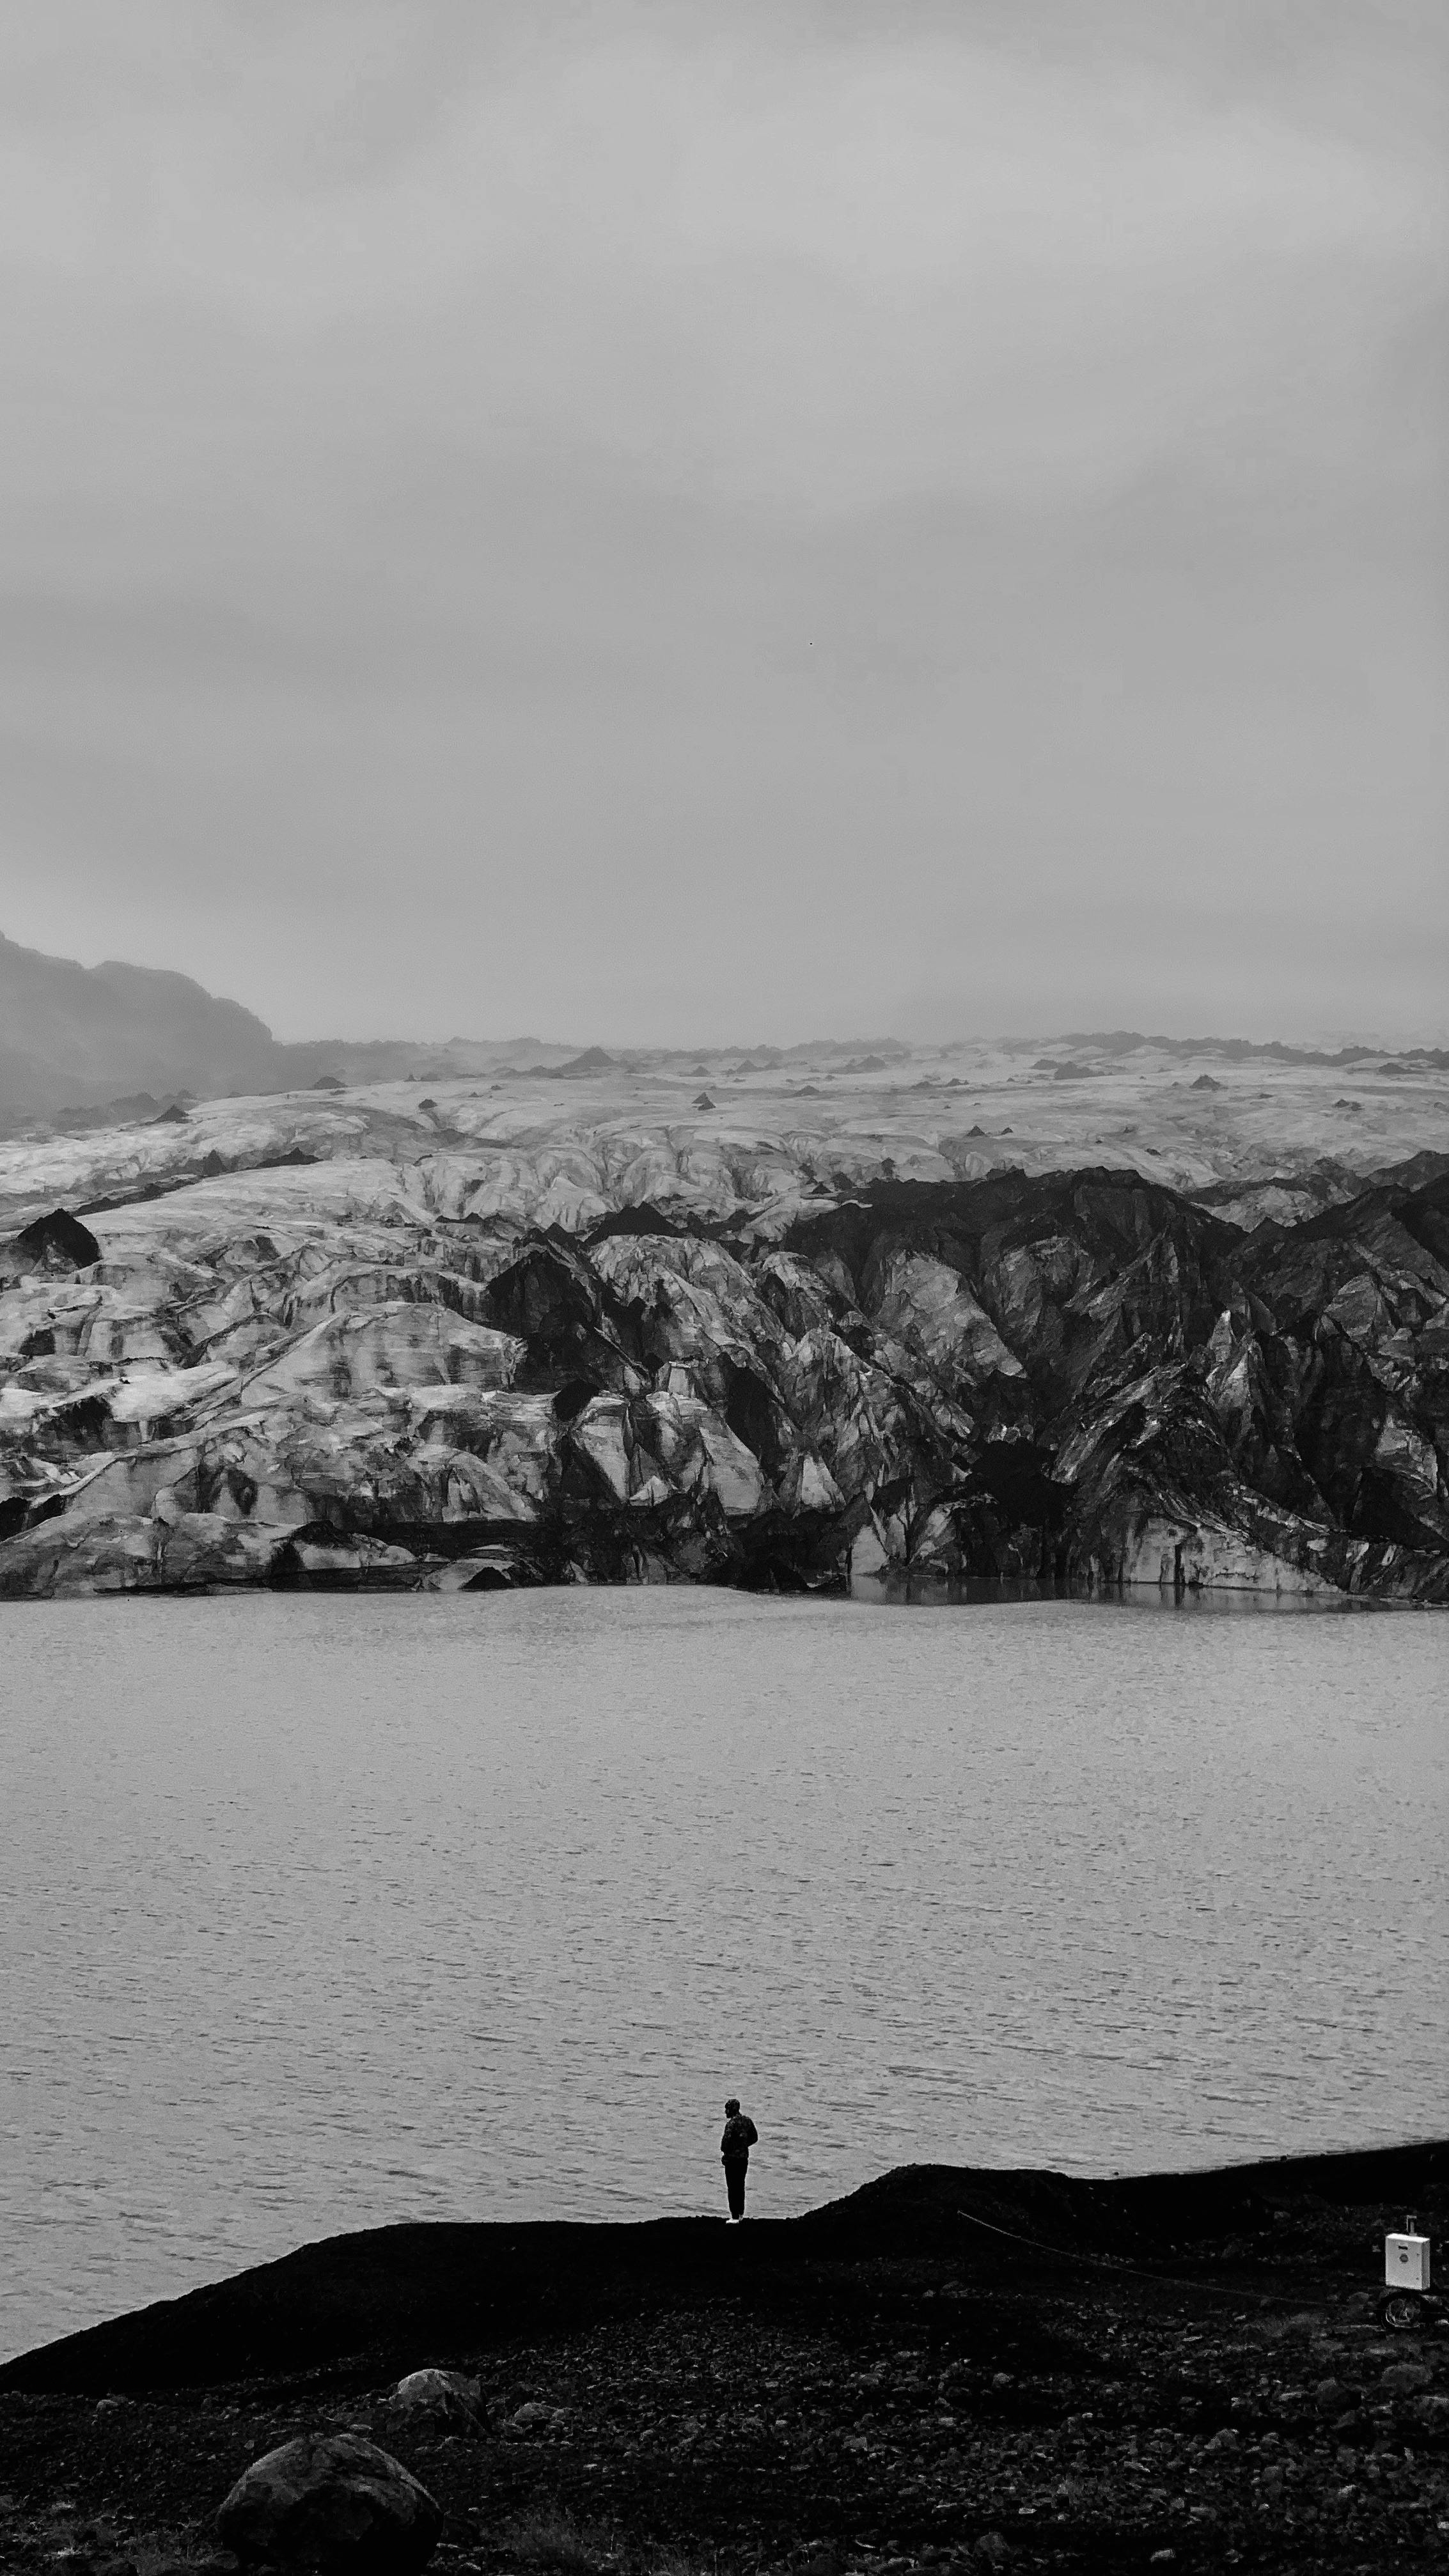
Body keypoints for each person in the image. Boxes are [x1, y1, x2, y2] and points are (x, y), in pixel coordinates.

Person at [720, 2096, 758, 2221]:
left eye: (727, 2109)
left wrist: (730, 2150)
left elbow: (725, 2144)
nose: (726, 2112)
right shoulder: (748, 2121)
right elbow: (754, 2138)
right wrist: (743, 2145)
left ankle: (734, 2217)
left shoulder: (731, 2124)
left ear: (731, 2110)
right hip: (743, 2159)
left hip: (732, 2160)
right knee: (740, 2186)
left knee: (732, 2187)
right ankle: (741, 2214)